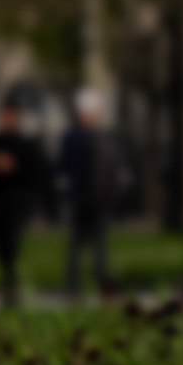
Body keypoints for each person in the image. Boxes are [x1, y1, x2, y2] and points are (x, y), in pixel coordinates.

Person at [0, 99, 50, 303]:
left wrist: (13, 165)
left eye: (9, 116)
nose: (6, 120)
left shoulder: (26, 144)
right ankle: (9, 274)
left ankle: (15, 276)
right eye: (3, 116)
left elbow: (36, 171)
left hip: (21, 198)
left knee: (12, 236)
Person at [59, 90, 118, 296]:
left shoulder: (70, 138)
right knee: (98, 246)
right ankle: (101, 287)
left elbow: (62, 168)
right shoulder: (100, 138)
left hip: (78, 197)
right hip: (96, 199)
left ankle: (73, 287)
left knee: (77, 245)